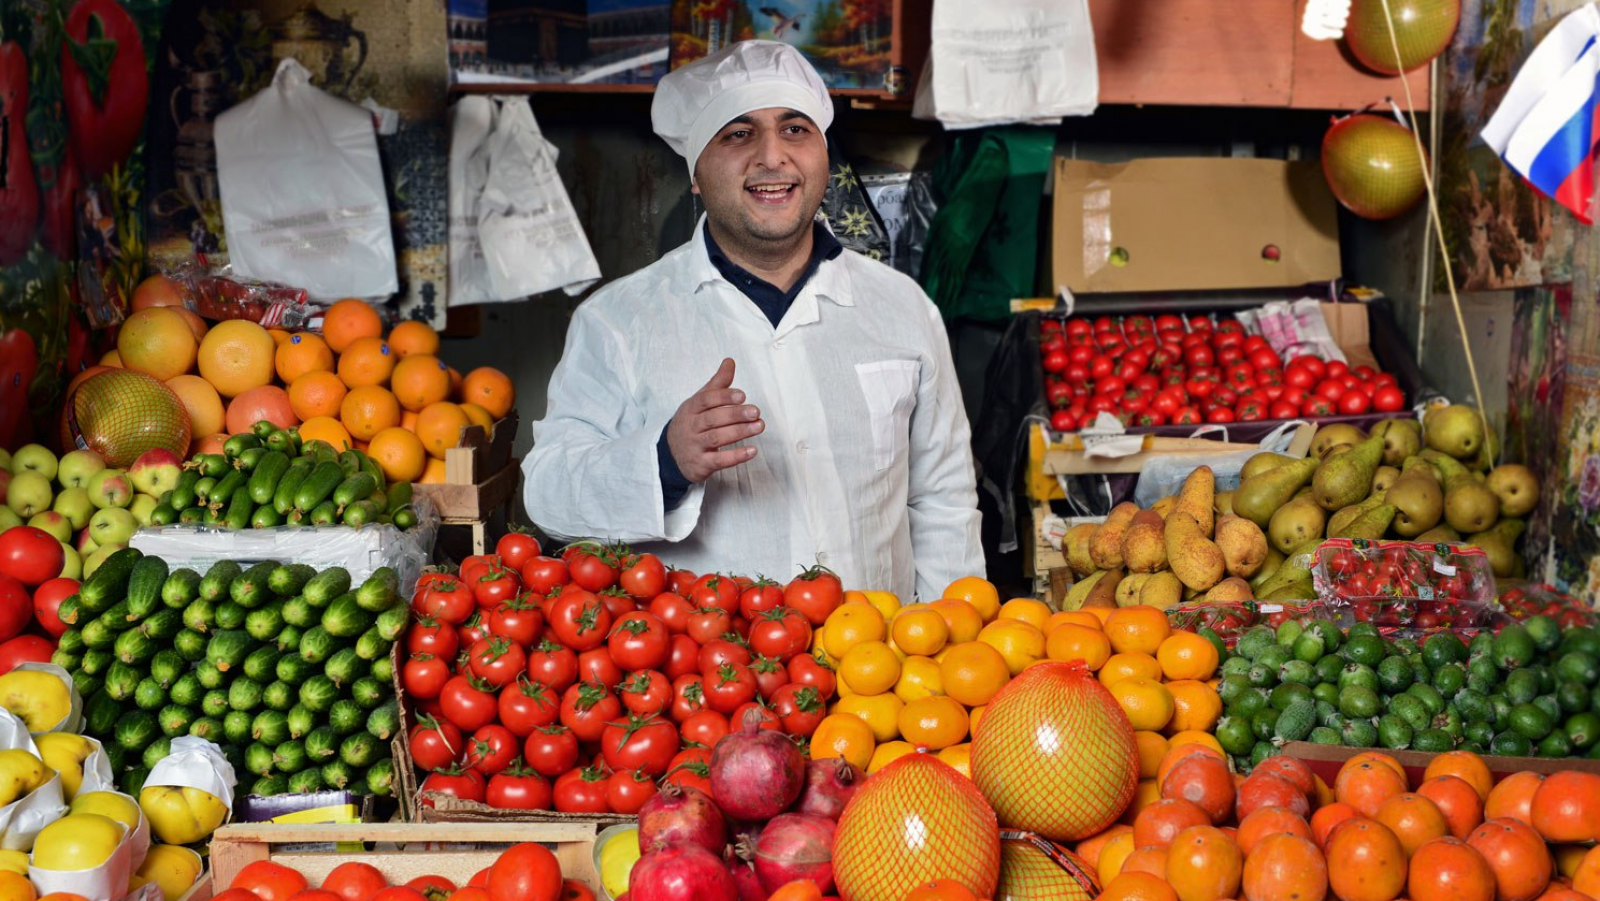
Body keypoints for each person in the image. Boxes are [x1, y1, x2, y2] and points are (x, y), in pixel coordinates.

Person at [521, 40, 982, 602]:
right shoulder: (618, 321)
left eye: (795, 129)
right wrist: (664, 461)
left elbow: (943, 501)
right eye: (738, 134)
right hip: (716, 677)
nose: (772, 156)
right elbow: (548, 495)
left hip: (882, 670)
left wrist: (953, 642)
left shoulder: (903, 307)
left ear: (823, 156)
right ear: (695, 173)